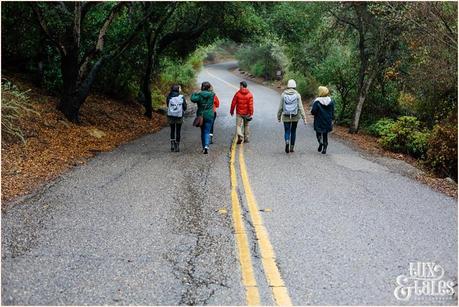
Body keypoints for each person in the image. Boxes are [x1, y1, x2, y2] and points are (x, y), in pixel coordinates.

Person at [277, 79, 307, 153]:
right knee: (293, 131)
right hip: (295, 116)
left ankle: (287, 141)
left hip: (286, 116)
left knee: (287, 131)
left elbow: (280, 107)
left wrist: (278, 117)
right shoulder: (297, 95)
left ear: (288, 86)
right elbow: (300, 107)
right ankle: (291, 148)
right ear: (295, 86)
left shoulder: (283, 95)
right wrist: (304, 118)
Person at [191, 81, 219, 154]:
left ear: (202, 87)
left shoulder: (199, 95)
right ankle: (206, 146)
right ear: (209, 87)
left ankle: (204, 147)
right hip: (210, 115)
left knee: (203, 132)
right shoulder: (212, 95)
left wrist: (195, 93)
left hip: (201, 115)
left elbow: (192, 99)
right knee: (207, 131)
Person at [311, 86, 335, 154]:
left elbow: (313, 111)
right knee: (325, 134)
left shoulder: (317, 101)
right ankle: (324, 148)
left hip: (319, 120)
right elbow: (333, 111)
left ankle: (320, 142)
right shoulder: (331, 101)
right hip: (327, 120)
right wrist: (332, 119)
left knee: (318, 133)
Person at [166, 84, 187, 152]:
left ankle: (172, 145)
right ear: (178, 89)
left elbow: (167, 105)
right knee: (178, 131)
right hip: (179, 115)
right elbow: (185, 107)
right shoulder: (181, 97)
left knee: (172, 130)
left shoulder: (169, 97)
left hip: (171, 115)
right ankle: (177, 146)